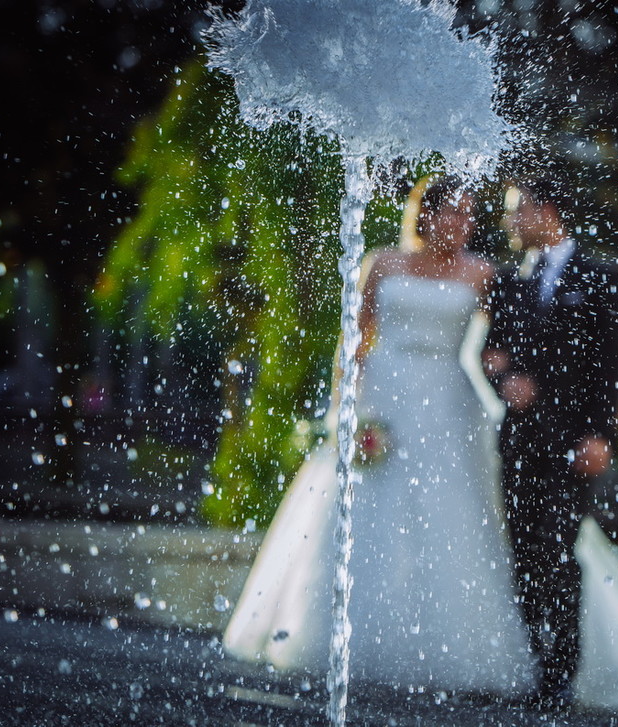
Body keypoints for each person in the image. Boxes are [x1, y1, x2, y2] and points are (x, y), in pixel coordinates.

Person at [222, 174, 537, 695]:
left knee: (449, 515)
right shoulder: (383, 263)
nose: (462, 224)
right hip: (383, 396)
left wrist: (513, 375)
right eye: (452, 213)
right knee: (369, 508)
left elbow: (501, 342)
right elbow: (356, 340)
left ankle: (450, 649)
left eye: (469, 215)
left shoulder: (482, 274)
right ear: (427, 215)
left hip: (447, 403)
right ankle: (337, 636)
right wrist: (344, 410)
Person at [482, 176, 618, 707]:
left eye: (517, 211)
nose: (510, 221)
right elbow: (491, 352)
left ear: (547, 211)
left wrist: (601, 435)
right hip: (520, 442)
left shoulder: (600, 276)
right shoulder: (508, 279)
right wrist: (504, 378)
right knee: (523, 552)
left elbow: (610, 365)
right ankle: (536, 658)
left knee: (557, 549)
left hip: (573, 444)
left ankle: (561, 672)